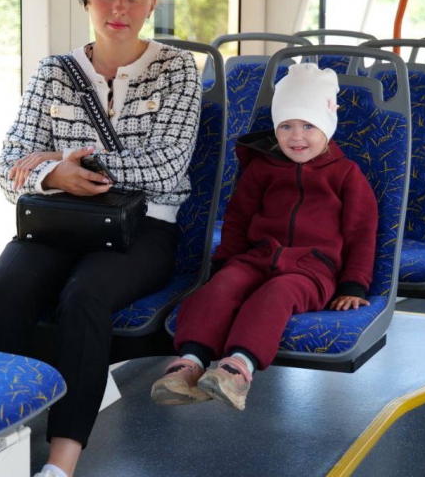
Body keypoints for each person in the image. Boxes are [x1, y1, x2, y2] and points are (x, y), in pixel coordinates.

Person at [0, 0, 201, 477]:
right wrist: (55, 176)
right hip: (61, 220)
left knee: (84, 297)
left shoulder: (176, 70)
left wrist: (67, 161)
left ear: (152, 5)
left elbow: (168, 166)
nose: (119, 7)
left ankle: (61, 463)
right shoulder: (54, 72)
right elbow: (8, 166)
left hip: (144, 226)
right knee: (4, 289)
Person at [151, 63, 378, 411]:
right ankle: (190, 362)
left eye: (308, 125)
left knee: (275, 295)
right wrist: (226, 263)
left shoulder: (347, 175)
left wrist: (354, 285)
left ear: (327, 126)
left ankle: (237, 368)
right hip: (257, 257)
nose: (296, 136)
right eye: (286, 126)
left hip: (312, 270)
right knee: (220, 288)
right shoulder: (261, 169)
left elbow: (362, 232)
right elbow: (238, 219)